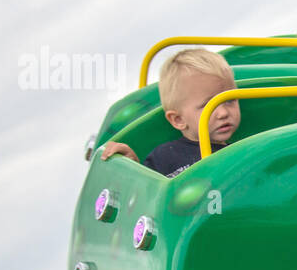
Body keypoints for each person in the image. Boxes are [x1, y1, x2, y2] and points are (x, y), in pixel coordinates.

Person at [101, 48, 240, 177]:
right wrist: (132, 166)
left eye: (229, 100)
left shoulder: (242, 151)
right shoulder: (165, 157)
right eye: (209, 105)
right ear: (178, 119)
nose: (223, 113)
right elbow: (148, 193)